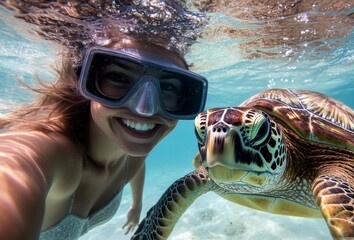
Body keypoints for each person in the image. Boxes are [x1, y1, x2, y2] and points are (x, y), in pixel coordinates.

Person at [0, 27, 208, 239]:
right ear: (86, 82)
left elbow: (137, 164)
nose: (145, 109)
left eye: (169, 88)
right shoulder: (45, 154)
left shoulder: (131, 150)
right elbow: (13, 168)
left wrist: (137, 204)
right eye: (118, 77)